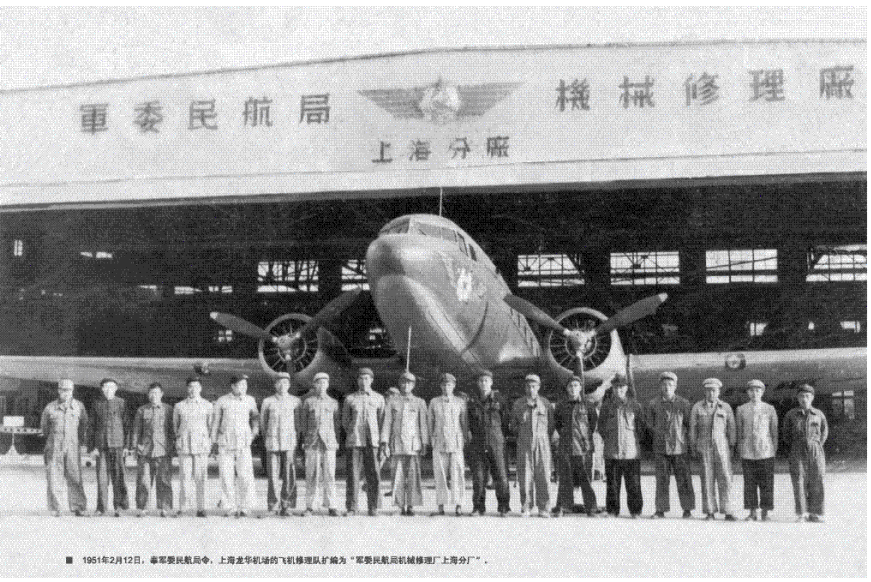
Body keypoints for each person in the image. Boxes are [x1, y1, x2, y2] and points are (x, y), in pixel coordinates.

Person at [647, 371, 696, 519]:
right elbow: (649, 425)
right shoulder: (653, 404)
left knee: (684, 480)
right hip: (661, 448)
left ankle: (687, 509)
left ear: (675, 386)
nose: (667, 387)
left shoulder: (684, 403)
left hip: (680, 448)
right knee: (662, 480)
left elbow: (688, 424)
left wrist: (683, 439)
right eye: (664, 384)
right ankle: (660, 510)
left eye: (670, 384)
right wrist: (659, 435)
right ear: (660, 386)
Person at [380, 371, 429, 516]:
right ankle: (399, 505)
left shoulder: (419, 402)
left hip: (414, 444)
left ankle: (412, 505)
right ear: (399, 384)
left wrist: (424, 443)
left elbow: (423, 425)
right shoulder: (392, 401)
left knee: (414, 475)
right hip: (397, 443)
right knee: (397, 475)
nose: (406, 385)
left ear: (413, 385)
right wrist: (384, 442)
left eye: (409, 383)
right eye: (403, 382)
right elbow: (387, 423)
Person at [212, 374, 259, 517]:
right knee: (226, 475)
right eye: (240, 385)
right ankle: (229, 506)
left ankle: (245, 506)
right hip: (225, 442)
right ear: (232, 386)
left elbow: (255, 418)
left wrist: (254, 433)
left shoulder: (250, 400)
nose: (243, 387)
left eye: (245, 385)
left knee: (245, 475)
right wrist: (214, 442)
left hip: (243, 442)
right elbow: (216, 422)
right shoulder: (222, 401)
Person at [689, 378, 737, 521]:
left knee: (726, 478)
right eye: (708, 390)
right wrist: (693, 446)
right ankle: (710, 511)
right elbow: (693, 429)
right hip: (704, 447)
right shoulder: (697, 407)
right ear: (704, 392)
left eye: (714, 390)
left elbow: (731, 428)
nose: (711, 393)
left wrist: (732, 445)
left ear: (719, 392)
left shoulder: (725, 407)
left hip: (722, 447)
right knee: (707, 478)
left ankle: (728, 510)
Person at [40, 378, 88, 517]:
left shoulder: (79, 406)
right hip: (55, 446)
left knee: (75, 476)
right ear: (58, 390)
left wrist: (76, 441)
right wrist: (54, 440)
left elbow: (83, 426)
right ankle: (57, 508)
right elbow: (45, 428)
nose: (66, 393)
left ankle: (78, 507)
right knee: (54, 477)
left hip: (72, 446)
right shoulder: (50, 407)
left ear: (72, 391)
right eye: (63, 390)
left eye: (69, 390)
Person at [598, 373, 644, 518]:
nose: (619, 390)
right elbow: (601, 427)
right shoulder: (606, 407)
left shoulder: (635, 406)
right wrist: (609, 440)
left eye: (622, 387)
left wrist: (634, 443)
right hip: (612, 451)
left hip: (631, 451)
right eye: (616, 387)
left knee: (634, 484)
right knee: (612, 484)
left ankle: (635, 511)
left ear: (626, 388)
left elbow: (641, 428)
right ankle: (612, 510)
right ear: (612, 388)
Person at [466, 370, 511, 517]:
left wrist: (499, 437)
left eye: (486, 380)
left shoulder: (500, 400)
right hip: (478, 443)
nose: (483, 383)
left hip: (496, 442)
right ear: (478, 383)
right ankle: (478, 507)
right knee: (478, 477)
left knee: (501, 476)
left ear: (491, 382)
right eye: (481, 381)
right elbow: (469, 423)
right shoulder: (472, 402)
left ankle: (503, 507)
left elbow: (506, 421)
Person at [510, 374, 554, 518]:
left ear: (538, 387)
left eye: (534, 386)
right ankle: (526, 507)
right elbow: (513, 426)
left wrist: (542, 437)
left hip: (542, 443)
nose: (531, 389)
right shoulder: (518, 404)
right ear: (525, 387)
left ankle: (544, 507)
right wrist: (523, 435)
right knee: (525, 476)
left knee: (543, 475)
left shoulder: (545, 404)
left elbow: (551, 425)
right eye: (528, 386)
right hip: (525, 442)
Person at [553, 375, 599, 517]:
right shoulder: (560, 406)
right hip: (566, 446)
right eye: (570, 386)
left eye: (576, 386)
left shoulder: (588, 405)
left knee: (586, 479)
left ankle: (591, 508)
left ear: (580, 388)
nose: (573, 388)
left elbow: (592, 424)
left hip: (583, 448)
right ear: (567, 388)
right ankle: (564, 506)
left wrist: (583, 438)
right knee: (565, 478)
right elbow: (558, 424)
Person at [342, 367, 385, 516]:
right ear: (357, 380)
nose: (363, 381)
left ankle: (373, 507)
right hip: (355, 441)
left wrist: (379, 439)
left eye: (366, 378)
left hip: (372, 442)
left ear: (371, 380)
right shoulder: (350, 399)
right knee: (352, 475)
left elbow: (381, 421)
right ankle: (352, 507)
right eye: (361, 378)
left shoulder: (379, 398)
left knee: (373, 475)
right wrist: (353, 432)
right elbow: (345, 421)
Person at [782, 384, 828, 523]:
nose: (804, 399)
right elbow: (786, 434)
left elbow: (824, 432)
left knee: (817, 479)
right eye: (801, 396)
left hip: (815, 449)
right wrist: (796, 445)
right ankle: (802, 513)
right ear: (797, 398)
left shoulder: (818, 414)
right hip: (797, 449)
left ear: (812, 397)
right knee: (799, 480)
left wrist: (816, 444)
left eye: (807, 396)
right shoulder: (791, 414)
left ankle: (815, 513)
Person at [260, 372, 302, 516]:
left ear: (289, 385)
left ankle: (287, 505)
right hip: (272, 441)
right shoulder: (268, 401)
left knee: (289, 473)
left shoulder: (296, 401)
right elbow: (263, 424)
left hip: (289, 442)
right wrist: (267, 437)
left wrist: (296, 439)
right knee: (272, 474)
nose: (282, 385)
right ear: (275, 385)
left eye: (285, 383)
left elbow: (298, 424)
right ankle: (273, 505)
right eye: (279, 382)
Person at [735, 379, 778, 521]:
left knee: (766, 482)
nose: (754, 393)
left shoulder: (769, 409)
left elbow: (774, 431)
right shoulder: (741, 409)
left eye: (757, 390)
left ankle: (765, 511)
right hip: (748, 451)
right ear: (748, 392)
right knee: (749, 483)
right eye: (751, 390)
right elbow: (739, 431)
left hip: (765, 450)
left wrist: (773, 449)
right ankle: (752, 512)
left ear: (762, 392)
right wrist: (740, 449)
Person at [428, 372, 469, 516]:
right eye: (444, 384)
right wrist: (431, 438)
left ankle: (458, 505)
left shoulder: (460, 402)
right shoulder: (434, 402)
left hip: (456, 442)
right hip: (439, 441)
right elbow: (430, 422)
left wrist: (464, 439)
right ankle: (441, 506)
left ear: (454, 386)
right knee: (440, 474)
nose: (446, 387)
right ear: (440, 386)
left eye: (449, 384)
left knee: (457, 473)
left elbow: (464, 423)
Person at [131, 382, 174, 517]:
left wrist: (171, 447)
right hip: (145, 450)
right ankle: (143, 508)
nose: (153, 395)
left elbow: (172, 430)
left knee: (164, 480)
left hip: (163, 450)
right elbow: (136, 430)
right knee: (143, 480)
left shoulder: (168, 409)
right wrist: (135, 447)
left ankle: (165, 508)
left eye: (156, 393)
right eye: (151, 393)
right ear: (148, 395)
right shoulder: (142, 410)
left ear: (161, 394)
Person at [300, 372, 341, 516]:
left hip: (328, 443)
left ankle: (332, 505)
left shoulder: (333, 403)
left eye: (324, 382)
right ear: (314, 385)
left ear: (328, 385)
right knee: (312, 474)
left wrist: (335, 441)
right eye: (319, 383)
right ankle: (310, 506)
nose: (322, 385)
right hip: (312, 442)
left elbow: (336, 424)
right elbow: (303, 424)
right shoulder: (308, 402)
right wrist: (305, 441)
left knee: (330, 474)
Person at [89, 378, 130, 516]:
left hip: (118, 445)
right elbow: (91, 427)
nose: (108, 389)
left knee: (119, 477)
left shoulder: (122, 403)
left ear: (116, 388)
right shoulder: (96, 404)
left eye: (111, 387)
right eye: (105, 387)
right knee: (102, 479)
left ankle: (119, 507)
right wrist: (92, 448)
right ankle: (101, 508)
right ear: (102, 389)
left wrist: (126, 446)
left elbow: (126, 425)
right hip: (101, 447)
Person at [173, 376, 213, 517]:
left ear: (200, 388)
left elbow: (210, 426)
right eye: (190, 387)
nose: (193, 390)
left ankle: (201, 508)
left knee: (201, 477)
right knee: (184, 477)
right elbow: (175, 426)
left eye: (196, 387)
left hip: (201, 446)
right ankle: (183, 508)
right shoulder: (179, 406)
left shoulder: (207, 405)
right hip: (185, 445)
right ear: (187, 388)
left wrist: (207, 441)